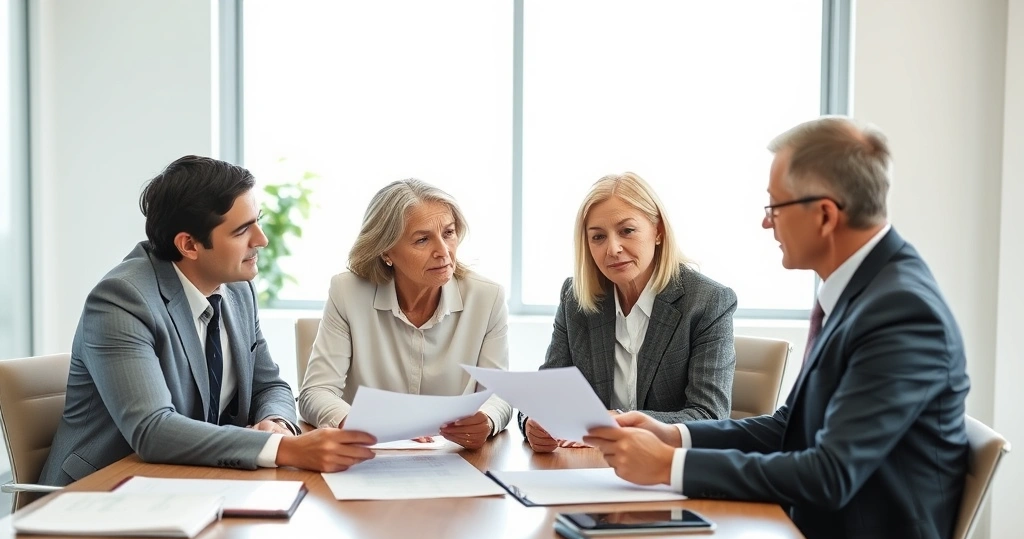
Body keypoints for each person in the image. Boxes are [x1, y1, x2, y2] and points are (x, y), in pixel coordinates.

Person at [584, 117, 970, 539]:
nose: (767, 223)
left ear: (824, 214)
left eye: (775, 207)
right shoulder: (864, 290)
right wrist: (674, 436)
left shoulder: (902, 312)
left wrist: (668, 467)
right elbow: (789, 428)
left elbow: (829, 474)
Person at [40, 156, 377, 486]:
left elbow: (269, 385)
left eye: (257, 221)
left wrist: (275, 423)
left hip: (189, 483)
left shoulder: (236, 290)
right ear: (189, 245)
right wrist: (282, 449)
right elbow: (153, 430)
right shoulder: (121, 300)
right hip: (102, 495)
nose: (261, 239)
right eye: (243, 230)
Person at [520, 172, 737, 453]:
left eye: (627, 231)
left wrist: (619, 423)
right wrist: (532, 423)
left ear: (658, 232)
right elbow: (545, 395)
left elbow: (709, 416)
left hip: (667, 469)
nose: (612, 249)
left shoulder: (707, 302)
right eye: (598, 237)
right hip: (589, 468)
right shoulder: (576, 299)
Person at [298, 178, 512, 450]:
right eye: (422, 240)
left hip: (452, 459)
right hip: (365, 456)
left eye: (448, 233)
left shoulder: (487, 297)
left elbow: (499, 394)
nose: (443, 252)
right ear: (386, 251)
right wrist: (360, 423)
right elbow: (315, 393)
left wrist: (488, 419)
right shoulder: (347, 292)